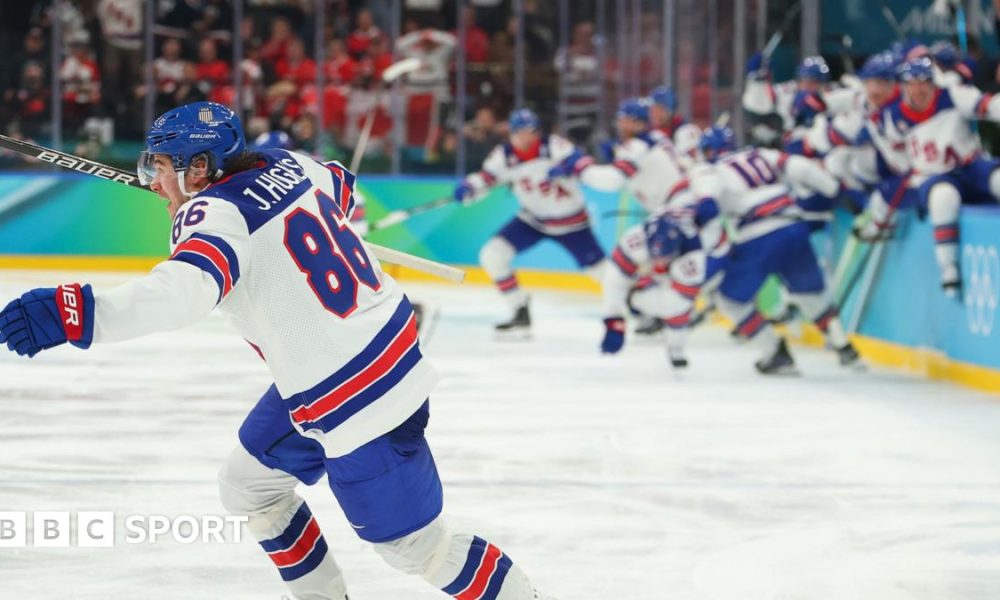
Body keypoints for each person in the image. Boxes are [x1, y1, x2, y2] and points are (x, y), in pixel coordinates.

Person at [0, 101, 554, 600]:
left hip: (358, 399)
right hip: (352, 361)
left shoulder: (214, 215)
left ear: (199, 168)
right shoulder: (290, 163)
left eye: (162, 167)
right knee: (249, 487)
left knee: (418, 550)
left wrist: (72, 312)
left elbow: (182, 295)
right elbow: (341, 185)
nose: (154, 179)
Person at [688, 126, 860, 374]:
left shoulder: (707, 170)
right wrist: (837, 191)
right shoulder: (759, 154)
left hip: (758, 234)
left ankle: (774, 352)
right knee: (810, 293)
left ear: (706, 151)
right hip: (794, 224)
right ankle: (843, 345)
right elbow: (801, 167)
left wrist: (699, 224)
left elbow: (707, 205)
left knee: (729, 300)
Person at [455, 108, 605, 334]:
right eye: (521, 132)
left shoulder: (553, 146)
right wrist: (470, 186)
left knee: (604, 273)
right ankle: (519, 310)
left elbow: (581, 161)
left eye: (531, 131)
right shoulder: (504, 155)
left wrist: (568, 167)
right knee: (493, 254)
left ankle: (643, 312)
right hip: (533, 220)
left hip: (572, 223)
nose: (527, 137)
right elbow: (487, 178)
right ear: (512, 133)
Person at [877, 56, 1000, 296]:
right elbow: (896, 156)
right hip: (934, 176)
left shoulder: (952, 96)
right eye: (912, 83)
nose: (918, 89)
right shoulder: (893, 117)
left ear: (933, 83)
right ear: (903, 86)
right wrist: (910, 171)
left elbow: (989, 105)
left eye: (924, 82)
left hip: (970, 166)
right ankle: (948, 267)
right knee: (943, 198)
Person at [601, 212, 706, 368]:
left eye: (665, 257)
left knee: (678, 308)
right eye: (656, 257)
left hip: (711, 248)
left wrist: (638, 299)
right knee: (637, 285)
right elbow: (615, 279)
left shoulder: (693, 255)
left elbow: (679, 304)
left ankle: (675, 345)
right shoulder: (636, 240)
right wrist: (614, 320)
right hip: (660, 253)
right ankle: (646, 311)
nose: (660, 262)